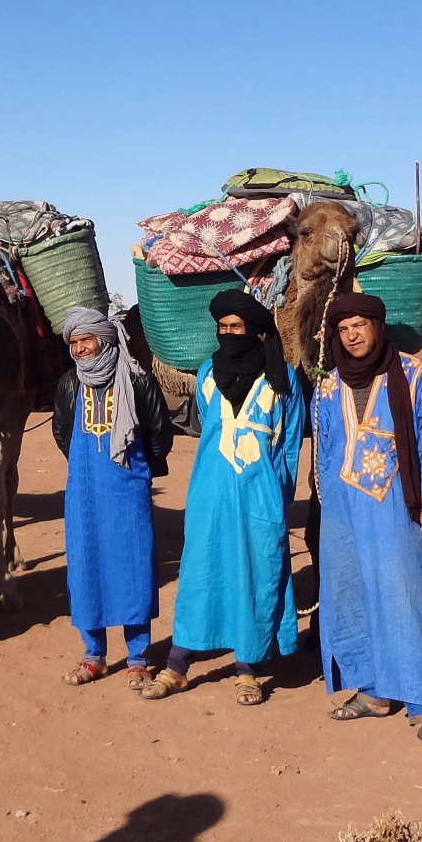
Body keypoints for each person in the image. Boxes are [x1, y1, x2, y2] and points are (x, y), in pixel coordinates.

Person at [140, 290, 304, 706]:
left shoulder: (282, 379)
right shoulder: (207, 375)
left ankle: (247, 668)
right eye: (224, 328)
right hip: (210, 490)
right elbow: (208, 426)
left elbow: (289, 447)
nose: (230, 334)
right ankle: (177, 666)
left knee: (255, 572)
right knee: (200, 570)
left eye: (238, 327)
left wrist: (277, 498)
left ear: (255, 331)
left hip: (260, 494)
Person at [312, 291, 422, 752]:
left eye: (360, 324)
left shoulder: (414, 375)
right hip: (342, 510)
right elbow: (324, 449)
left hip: (398, 507)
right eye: (343, 328)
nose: (352, 335)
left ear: (378, 325)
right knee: (350, 594)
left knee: (404, 598)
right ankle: (373, 693)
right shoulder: (328, 386)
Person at [52, 306, 175, 690]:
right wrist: (87, 469)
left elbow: (159, 432)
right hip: (84, 492)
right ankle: (94, 655)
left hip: (128, 488)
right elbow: (61, 432)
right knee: (87, 567)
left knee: (133, 568)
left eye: (85, 340)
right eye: (73, 343)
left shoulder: (136, 379)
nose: (80, 349)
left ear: (103, 339)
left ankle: (138, 657)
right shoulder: (70, 384)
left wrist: (137, 473)